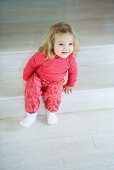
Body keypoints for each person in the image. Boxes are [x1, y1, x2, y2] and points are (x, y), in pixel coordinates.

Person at [20, 22, 79, 127]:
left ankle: (51, 112)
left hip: (56, 82)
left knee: (55, 94)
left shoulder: (70, 59)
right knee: (31, 88)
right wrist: (25, 78)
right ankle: (31, 114)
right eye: (61, 44)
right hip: (38, 78)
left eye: (70, 44)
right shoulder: (42, 55)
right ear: (51, 44)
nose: (66, 48)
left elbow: (73, 72)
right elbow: (30, 65)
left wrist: (70, 84)